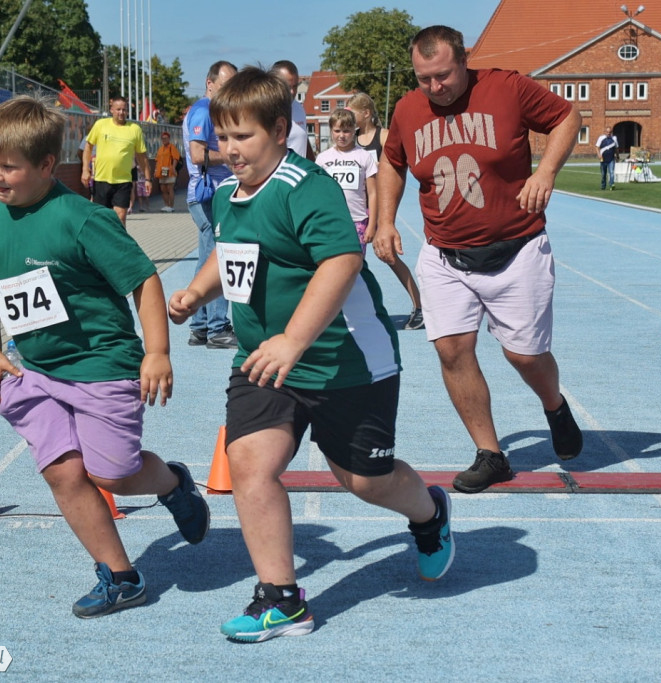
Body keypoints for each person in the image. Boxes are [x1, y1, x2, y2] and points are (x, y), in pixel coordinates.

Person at [168, 67, 454, 643]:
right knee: (250, 464)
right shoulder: (227, 193)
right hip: (262, 362)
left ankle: (429, 513)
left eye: (242, 137)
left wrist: (294, 340)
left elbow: (342, 262)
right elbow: (231, 253)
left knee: (365, 481)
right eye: (223, 138)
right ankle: (282, 599)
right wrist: (197, 293)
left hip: (345, 362)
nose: (229, 150)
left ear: (279, 130)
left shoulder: (307, 186)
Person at [0, 95, 210, 619]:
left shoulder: (83, 219)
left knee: (114, 475)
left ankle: (172, 483)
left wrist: (158, 353)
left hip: (102, 366)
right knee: (63, 473)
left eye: (9, 166)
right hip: (35, 370)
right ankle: (122, 577)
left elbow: (144, 279)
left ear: (48, 166)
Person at [375, 25, 584, 494]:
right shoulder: (409, 108)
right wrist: (385, 220)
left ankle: (553, 405)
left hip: (517, 248)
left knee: (524, 355)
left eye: (443, 76)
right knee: (451, 350)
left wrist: (546, 172)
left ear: (464, 60)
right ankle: (491, 454)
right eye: (423, 78)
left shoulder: (507, 88)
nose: (434, 87)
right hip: (445, 256)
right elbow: (393, 161)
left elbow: (567, 118)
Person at [345, 92, 425, 330]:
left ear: (366, 113)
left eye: (352, 113)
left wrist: (380, 169)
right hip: (357, 207)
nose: (349, 118)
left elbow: (401, 164)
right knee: (350, 259)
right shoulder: (353, 139)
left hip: (378, 207)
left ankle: (419, 307)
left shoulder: (383, 136)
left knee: (389, 256)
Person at [183, 60, 238, 350]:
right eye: (227, 84)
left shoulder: (212, 111)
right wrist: (231, 155)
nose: (231, 90)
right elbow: (196, 153)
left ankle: (201, 326)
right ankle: (216, 327)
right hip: (208, 195)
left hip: (211, 194)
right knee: (220, 259)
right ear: (210, 83)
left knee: (208, 261)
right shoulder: (203, 111)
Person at [315, 108, 379, 252]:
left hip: (358, 220)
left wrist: (372, 224)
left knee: (356, 265)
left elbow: (373, 193)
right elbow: (317, 193)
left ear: (354, 130)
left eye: (346, 131)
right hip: (331, 221)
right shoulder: (322, 159)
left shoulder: (364, 156)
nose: (342, 136)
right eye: (337, 131)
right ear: (331, 130)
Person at [81, 97, 151, 227]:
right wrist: (85, 169)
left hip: (123, 181)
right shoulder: (101, 125)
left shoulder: (134, 129)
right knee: (101, 218)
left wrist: (147, 179)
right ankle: (101, 245)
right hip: (102, 179)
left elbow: (142, 156)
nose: (121, 112)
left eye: (124, 110)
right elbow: (88, 147)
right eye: (118, 109)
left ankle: (119, 246)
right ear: (112, 110)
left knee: (121, 216)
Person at [270, 60, 315, 161]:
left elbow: (303, 139)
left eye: (295, 86)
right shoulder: (265, 110)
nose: (292, 92)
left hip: (301, 173)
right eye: (287, 86)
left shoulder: (299, 107)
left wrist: (314, 168)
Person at [154, 131, 181, 212]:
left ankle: (171, 206)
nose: (164, 140)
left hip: (170, 171)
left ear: (169, 139)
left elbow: (176, 158)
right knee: (163, 189)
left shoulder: (172, 147)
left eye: (165, 138)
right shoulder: (160, 149)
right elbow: (157, 160)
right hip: (161, 171)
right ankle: (166, 205)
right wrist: (155, 170)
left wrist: (173, 167)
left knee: (170, 188)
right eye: (162, 138)